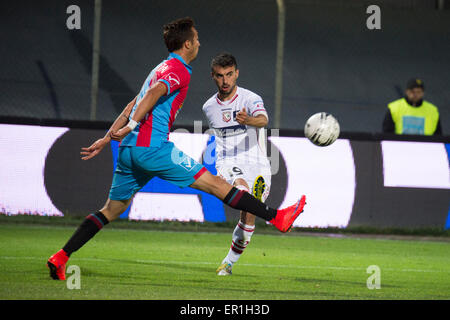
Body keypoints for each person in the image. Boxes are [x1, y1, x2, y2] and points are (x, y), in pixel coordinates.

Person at [46, 17, 306, 281]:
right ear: (187, 44)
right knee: (217, 185)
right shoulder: (178, 69)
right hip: (153, 148)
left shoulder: (157, 68)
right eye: (196, 39)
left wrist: (107, 137)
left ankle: (61, 256)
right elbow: (154, 94)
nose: (199, 43)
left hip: (128, 149)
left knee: (110, 210)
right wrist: (134, 123)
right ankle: (277, 217)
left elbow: (132, 104)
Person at [202, 53, 273, 276]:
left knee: (248, 217)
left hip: (257, 162)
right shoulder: (209, 107)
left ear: (237, 73)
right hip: (228, 161)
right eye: (220, 76)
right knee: (241, 189)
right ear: (213, 76)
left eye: (229, 74)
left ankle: (229, 261)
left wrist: (247, 120)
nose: (225, 81)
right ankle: (272, 216)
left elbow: (263, 120)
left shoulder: (250, 99)